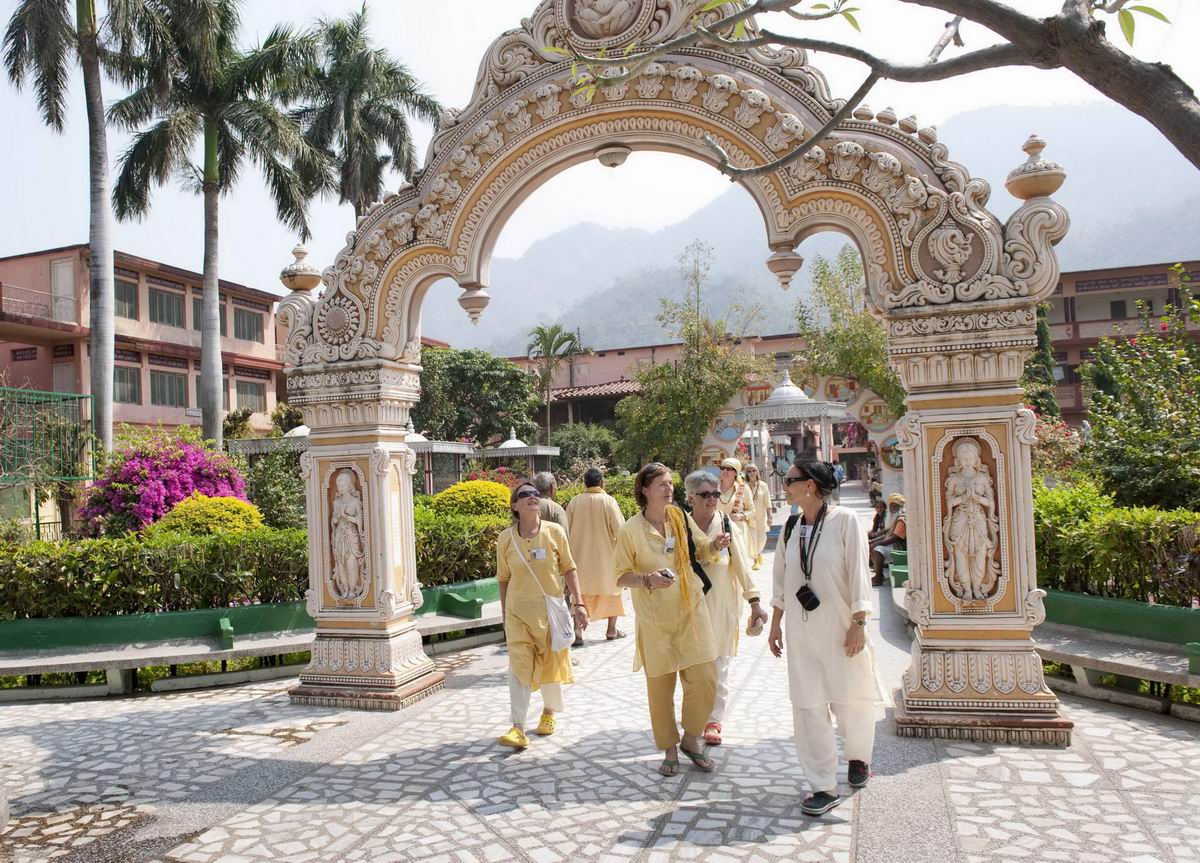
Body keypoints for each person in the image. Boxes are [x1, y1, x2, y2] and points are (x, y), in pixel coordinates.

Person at [769, 460, 884, 817]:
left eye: (790, 480)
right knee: (808, 705)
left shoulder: (845, 521)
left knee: (851, 700)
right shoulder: (790, 526)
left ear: (811, 486)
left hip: (840, 628)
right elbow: (781, 578)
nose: (784, 485)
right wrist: (775, 623)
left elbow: (858, 577)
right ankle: (822, 784)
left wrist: (859, 622)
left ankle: (858, 757)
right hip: (802, 633)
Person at [614, 462, 729, 776]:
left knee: (706, 678)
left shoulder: (678, 516)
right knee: (661, 689)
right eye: (662, 484)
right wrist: (648, 579)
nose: (669, 489)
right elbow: (621, 576)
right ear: (645, 490)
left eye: (670, 483)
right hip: (655, 620)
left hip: (691, 609)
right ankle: (669, 749)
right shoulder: (631, 529)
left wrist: (714, 545)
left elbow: (699, 548)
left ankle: (691, 739)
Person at [495, 481, 589, 749]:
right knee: (519, 667)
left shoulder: (554, 532)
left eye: (535, 494)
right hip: (517, 614)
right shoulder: (505, 538)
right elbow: (503, 577)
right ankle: (518, 727)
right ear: (515, 505)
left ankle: (549, 712)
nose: (532, 497)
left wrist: (579, 603)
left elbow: (569, 568)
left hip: (549, 613)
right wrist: (504, 612)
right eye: (524, 495)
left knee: (551, 665)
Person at [684, 470, 768, 746]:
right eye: (705, 495)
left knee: (720, 664)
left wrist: (754, 601)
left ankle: (713, 720)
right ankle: (694, 717)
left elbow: (742, 565)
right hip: (690, 606)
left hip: (722, 606)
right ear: (690, 497)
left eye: (716, 494)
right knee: (694, 667)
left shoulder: (727, 525)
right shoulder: (680, 526)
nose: (712, 500)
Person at [565, 467, 627, 642]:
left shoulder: (575, 501)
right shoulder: (609, 501)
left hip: (580, 558)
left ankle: (578, 633)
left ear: (585, 483)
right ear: (601, 482)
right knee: (612, 592)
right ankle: (611, 630)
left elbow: (566, 530)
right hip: (605, 558)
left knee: (580, 594)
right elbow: (621, 531)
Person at [716, 458, 755, 555]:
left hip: (738, 532)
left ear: (736, 473)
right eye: (723, 468)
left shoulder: (743, 488)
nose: (725, 471)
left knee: (739, 565)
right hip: (717, 532)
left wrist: (741, 516)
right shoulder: (713, 487)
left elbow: (752, 511)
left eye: (729, 469)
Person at [869, 493, 907, 587]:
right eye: (891, 506)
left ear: (901, 506)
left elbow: (895, 537)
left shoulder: (902, 518)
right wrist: (874, 541)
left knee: (878, 549)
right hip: (895, 545)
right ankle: (879, 575)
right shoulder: (895, 517)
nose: (893, 508)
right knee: (874, 545)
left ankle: (878, 578)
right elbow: (887, 534)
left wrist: (877, 543)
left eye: (895, 506)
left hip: (901, 548)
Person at [744, 463, 773, 570]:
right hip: (750, 517)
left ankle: (759, 553)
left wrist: (770, 516)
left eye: (753, 470)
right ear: (746, 473)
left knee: (762, 539)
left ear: (757, 472)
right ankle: (755, 560)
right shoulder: (744, 486)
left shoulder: (763, 485)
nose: (751, 473)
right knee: (753, 539)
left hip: (762, 517)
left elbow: (768, 502)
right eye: (749, 471)